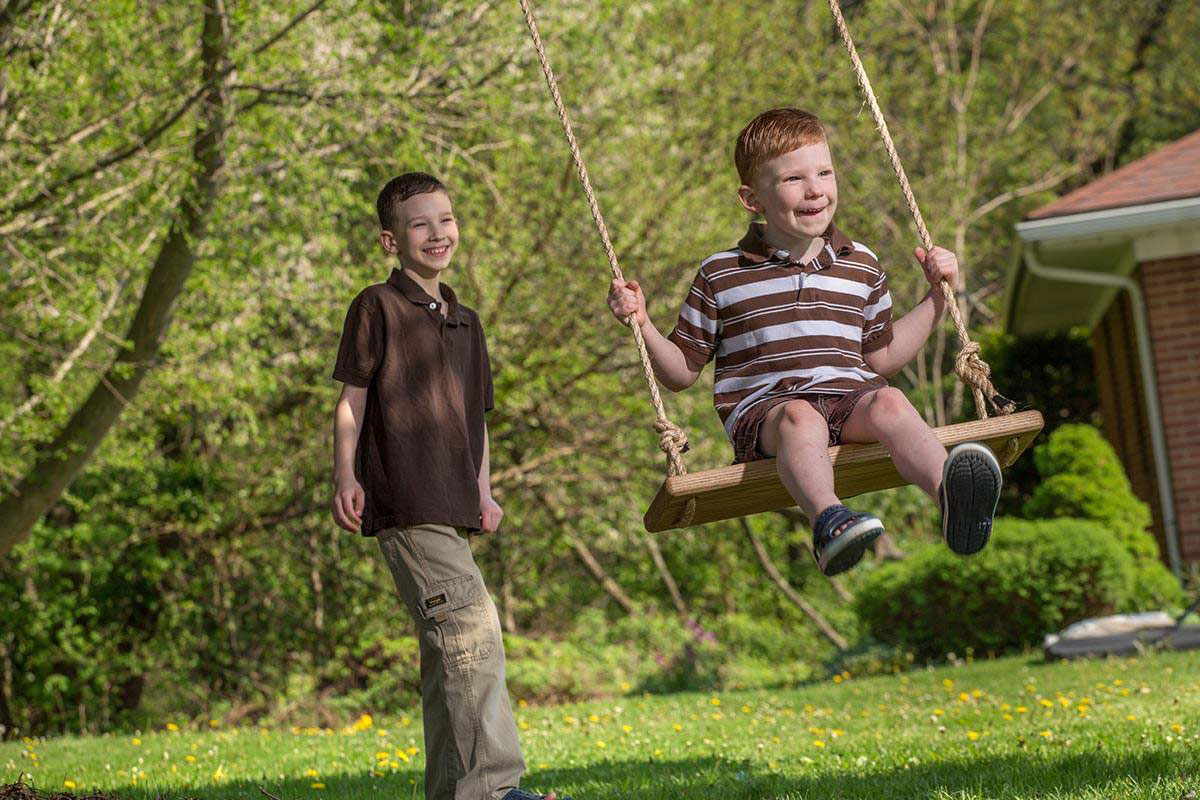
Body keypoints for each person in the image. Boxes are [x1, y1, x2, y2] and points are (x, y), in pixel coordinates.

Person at [607, 108, 1002, 576]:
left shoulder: (862, 265)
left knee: (891, 401)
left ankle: (952, 495)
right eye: (794, 178)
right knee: (800, 416)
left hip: (849, 398)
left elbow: (882, 357)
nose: (815, 189)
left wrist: (939, 298)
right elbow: (680, 373)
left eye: (825, 172)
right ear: (752, 198)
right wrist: (644, 323)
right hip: (769, 413)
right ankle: (829, 521)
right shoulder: (722, 273)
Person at [331, 172, 562, 800]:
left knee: (447, 659)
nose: (438, 233)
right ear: (390, 240)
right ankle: (492, 789)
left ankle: (450, 792)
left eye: (446, 219)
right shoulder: (375, 306)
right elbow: (352, 399)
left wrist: (483, 494)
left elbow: (474, 422)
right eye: (419, 223)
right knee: (472, 635)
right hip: (407, 503)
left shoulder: (468, 324)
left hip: (453, 505)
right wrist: (345, 475)